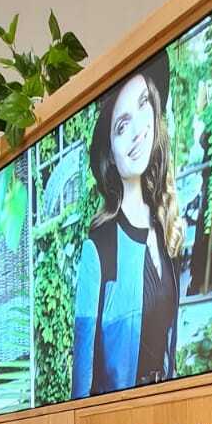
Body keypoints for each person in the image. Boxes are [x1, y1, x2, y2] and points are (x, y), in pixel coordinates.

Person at [72, 52, 183, 399]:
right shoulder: (99, 247)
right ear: (111, 153)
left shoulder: (166, 230)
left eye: (143, 104)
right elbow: (81, 385)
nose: (136, 132)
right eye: (121, 126)